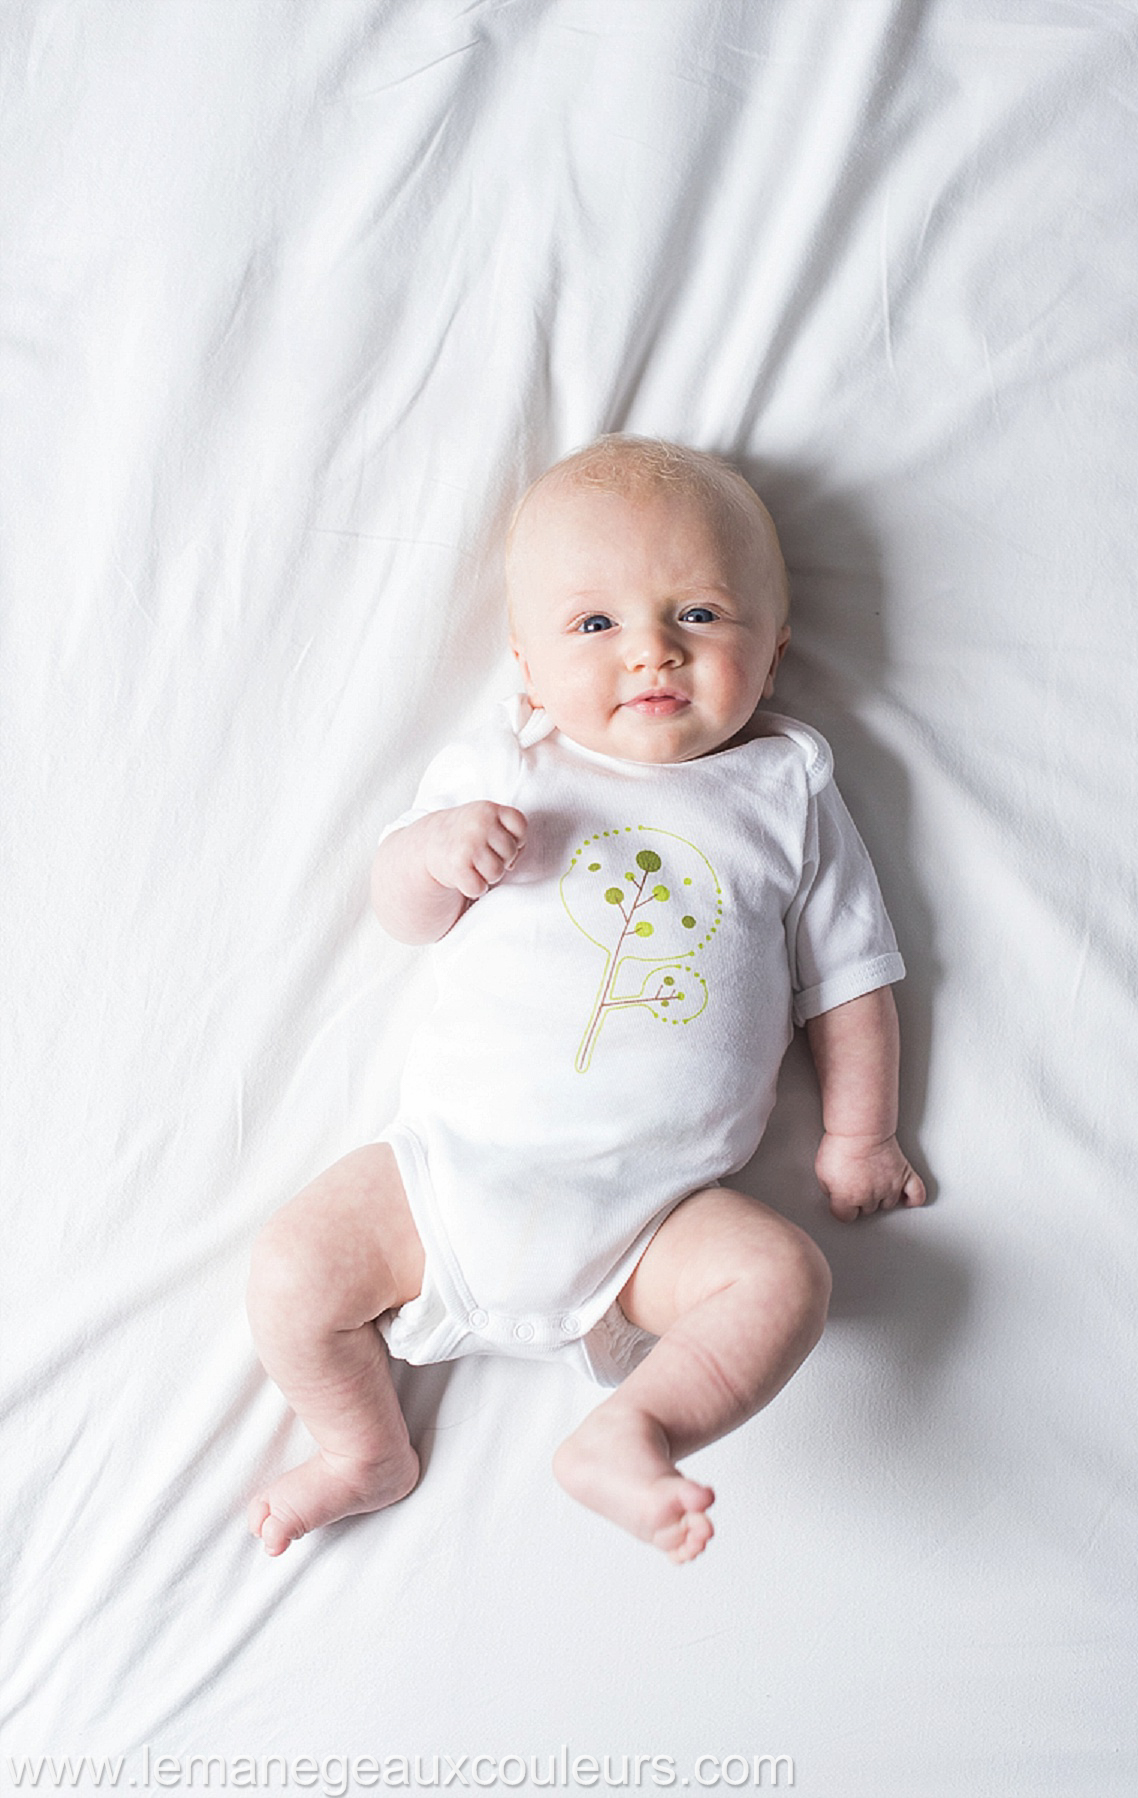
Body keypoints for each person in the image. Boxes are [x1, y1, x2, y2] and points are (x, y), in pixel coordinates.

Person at [246, 435, 926, 1565]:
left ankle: (636, 1428)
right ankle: (361, 1447)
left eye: (701, 615)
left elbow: (849, 980)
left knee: (785, 1279)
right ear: (525, 662)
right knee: (292, 1272)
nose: (651, 650)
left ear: (777, 643)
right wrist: (434, 856)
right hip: (446, 1174)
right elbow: (400, 912)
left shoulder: (787, 789)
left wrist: (863, 1133)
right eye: (595, 625)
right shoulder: (511, 763)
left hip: (655, 1216)